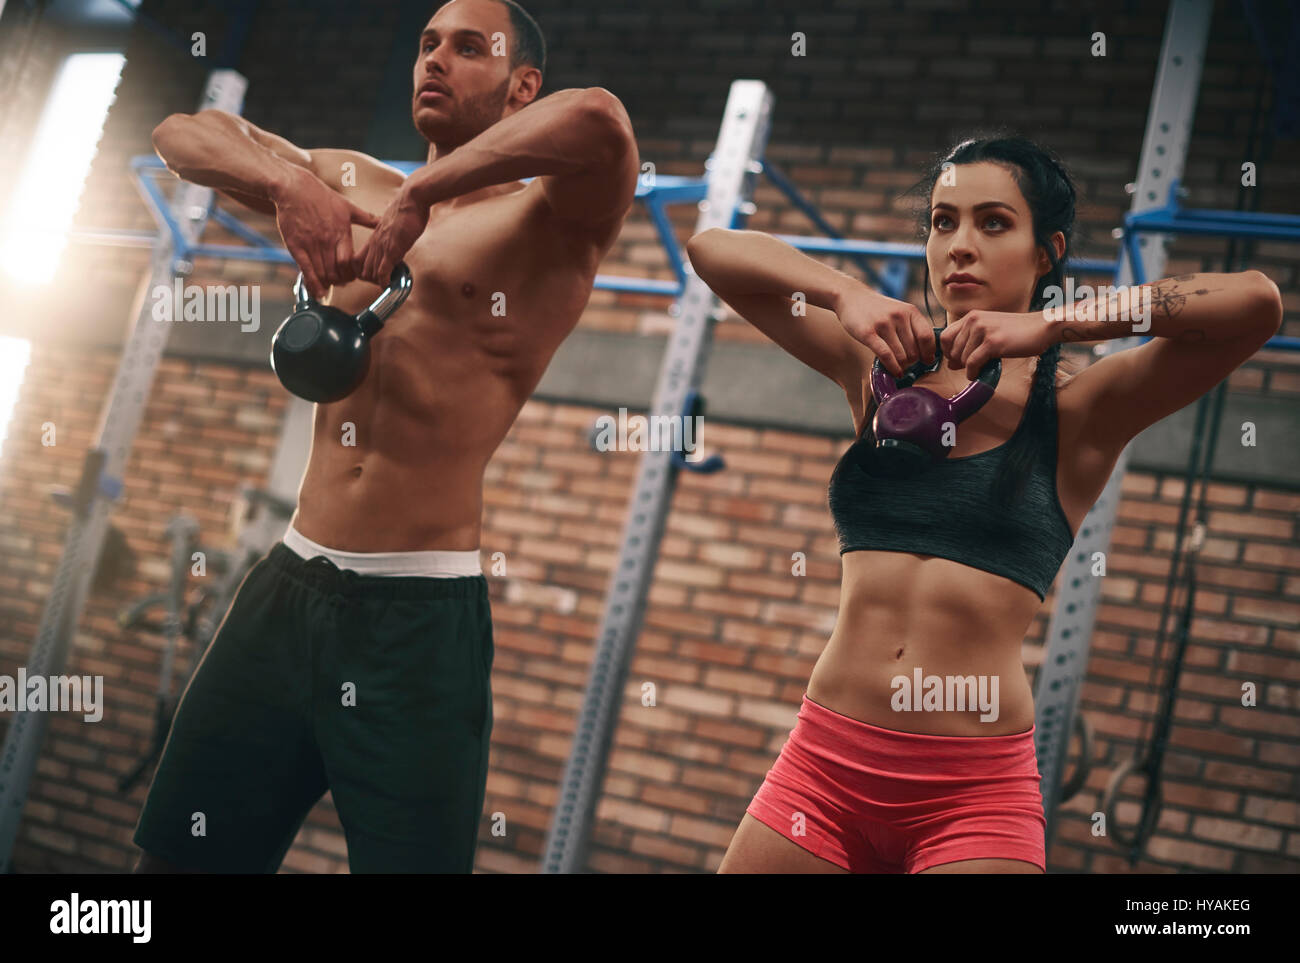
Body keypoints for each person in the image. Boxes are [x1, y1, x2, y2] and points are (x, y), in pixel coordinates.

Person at [132, 0, 638, 873]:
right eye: (427, 44)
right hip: (286, 589)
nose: (436, 60)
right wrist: (293, 188)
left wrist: (422, 193)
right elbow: (185, 131)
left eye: (469, 48)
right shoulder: (344, 182)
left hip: (418, 622)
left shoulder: (550, 223)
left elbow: (597, 118)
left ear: (523, 86)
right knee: (177, 862)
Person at [686, 135, 1283, 874]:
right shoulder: (880, 370)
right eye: (943, 221)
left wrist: (1056, 325)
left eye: (993, 222)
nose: (960, 246)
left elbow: (1255, 302)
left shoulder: (1082, 407)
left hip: (970, 794)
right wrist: (846, 293)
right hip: (825, 765)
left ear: (1047, 252)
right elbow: (713, 249)